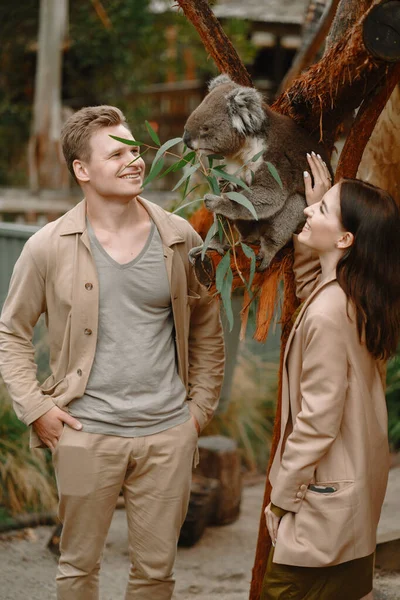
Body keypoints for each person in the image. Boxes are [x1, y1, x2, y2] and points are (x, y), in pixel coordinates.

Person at [0, 105, 225, 600]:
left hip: (167, 433)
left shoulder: (180, 238)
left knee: (155, 575)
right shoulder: (47, 246)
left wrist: (197, 412)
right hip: (86, 434)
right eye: (116, 153)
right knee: (78, 569)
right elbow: (11, 331)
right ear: (82, 169)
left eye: (135, 149)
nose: (134, 160)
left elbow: (207, 325)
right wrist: (37, 409)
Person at [262, 153, 400, 600]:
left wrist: (281, 499)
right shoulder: (356, 297)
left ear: (345, 237)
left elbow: (318, 421)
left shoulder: (328, 314)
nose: (305, 209)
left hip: (322, 503)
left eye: (319, 210)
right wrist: (318, 218)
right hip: (355, 492)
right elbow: (312, 288)